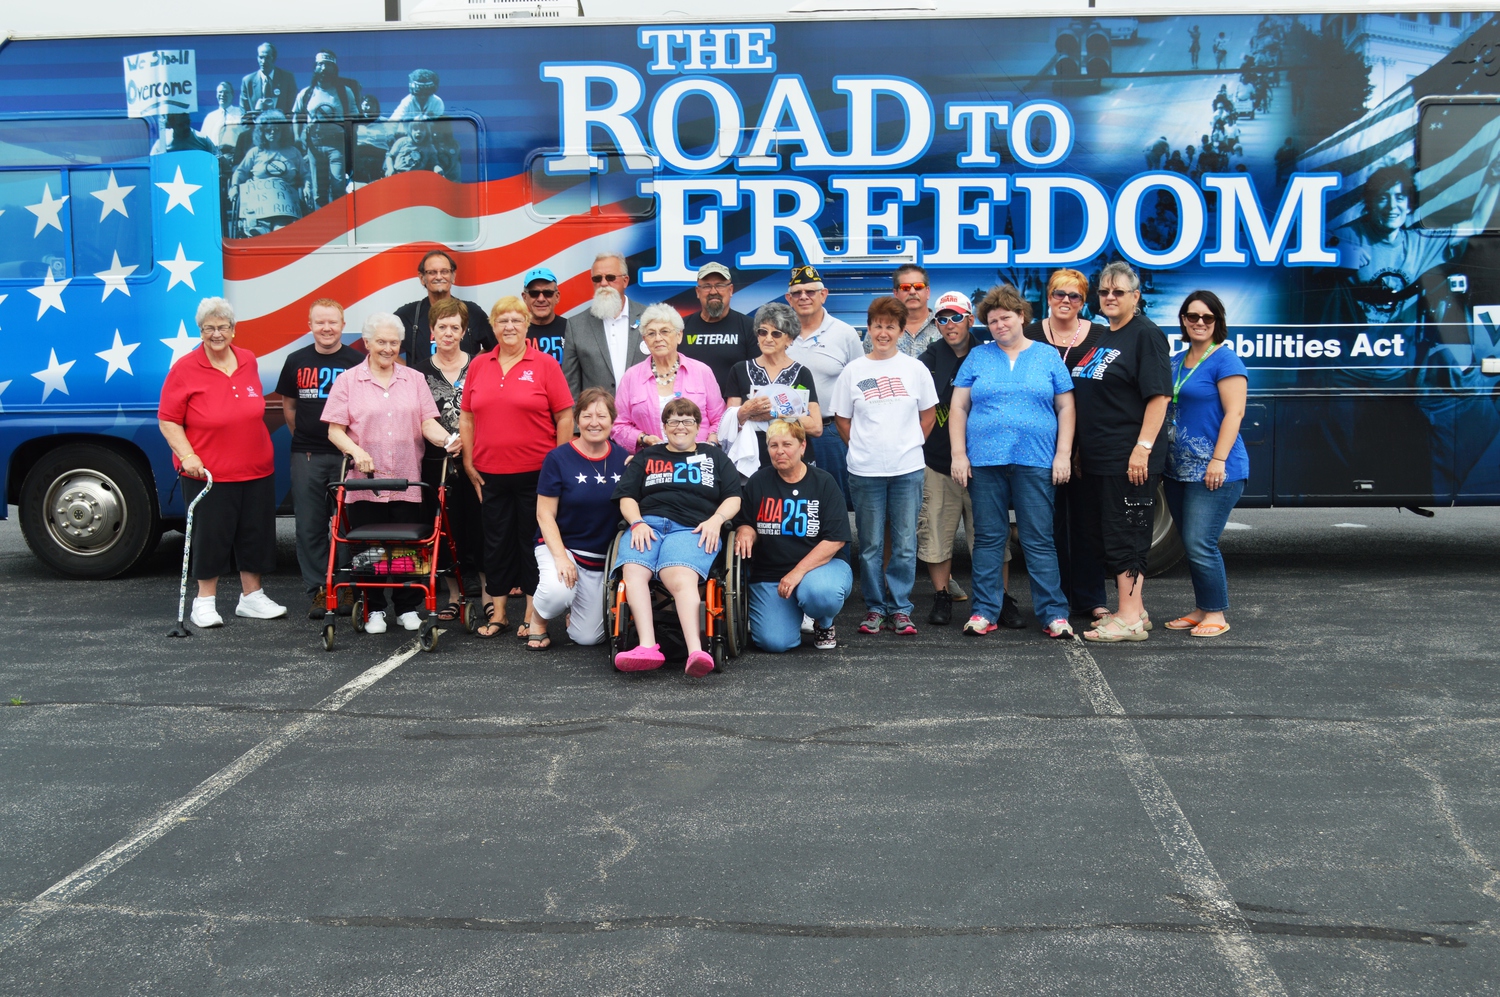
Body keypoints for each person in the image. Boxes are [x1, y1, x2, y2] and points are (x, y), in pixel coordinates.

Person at [949, 285, 1077, 639]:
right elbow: (959, 407)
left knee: (1038, 539)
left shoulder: (1048, 356)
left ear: (1021, 316)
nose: (1000, 325)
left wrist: (1062, 454)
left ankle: (1054, 614)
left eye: (1006, 317)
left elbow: (1066, 406)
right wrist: (959, 455)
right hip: (985, 462)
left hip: (1035, 460)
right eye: (992, 321)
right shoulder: (978, 357)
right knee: (989, 538)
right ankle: (984, 611)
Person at [323, 313, 460, 634]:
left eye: (393, 343)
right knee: (369, 548)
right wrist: (357, 452)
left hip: (406, 478)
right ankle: (373, 610)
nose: (387, 348)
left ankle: (406, 607)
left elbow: (428, 423)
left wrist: (448, 439)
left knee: (406, 548)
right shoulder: (348, 381)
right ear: (367, 343)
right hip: (364, 483)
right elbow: (335, 431)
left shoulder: (413, 379)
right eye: (381, 342)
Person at [158, 297, 288, 628]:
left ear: (233, 329)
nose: (217, 334)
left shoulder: (247, 360)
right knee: (210, 536)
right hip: (209, 473)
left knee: (255, 534)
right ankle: (203, 602)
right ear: (200, 331)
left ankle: (252, 597)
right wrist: (187, 455)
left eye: (223, 327)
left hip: (256, 467)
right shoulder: (184, 369)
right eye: (209, 328)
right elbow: (169, 420)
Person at [460, 296, 575, 638]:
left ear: (527, 325)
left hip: (537, 474)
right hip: (489, 472)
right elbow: (467, 417)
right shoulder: (480, 364)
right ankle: (498, 615)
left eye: (516, 320)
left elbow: (565, 416)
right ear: (493, 326)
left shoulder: (544, 364)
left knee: (530, 543)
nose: (509, 326)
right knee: (494, 543)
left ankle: (530, 614)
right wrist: (468, 460)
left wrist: (560, 464)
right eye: (502, 320)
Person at [1071, 262, 1173, 643]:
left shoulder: (1145, 335)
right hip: (1099, 458)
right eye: (1104, 292)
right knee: (1109, 533)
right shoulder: (1105, 335)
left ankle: (1129, 618)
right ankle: (1133, 609)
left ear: (1136, 296)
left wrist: (1142, 449)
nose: (1110, 297)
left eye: (1118, 292)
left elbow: (1160, 396)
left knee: (1127, 533)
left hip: (1127, 458)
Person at [829, 296, 938, 636]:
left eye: (891, 326)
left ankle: (901, 609)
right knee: (872, 545)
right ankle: (876, 608)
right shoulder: (854, 371)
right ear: (869, 328)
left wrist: (906, 446)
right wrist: (865, 448)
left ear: (901, 330)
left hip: (907, 470)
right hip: (865, 472)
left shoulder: (915, 369)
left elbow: (929, 416)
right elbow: (842, 420)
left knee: (906, 543)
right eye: (878, 325)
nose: (883, 332)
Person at [610, 398, 742, 677]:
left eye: (687, 421)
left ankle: (696, 651)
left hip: (693, 527)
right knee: (634, 571)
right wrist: (637, 523)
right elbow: (627, 497)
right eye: (673, 421)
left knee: (679, 576)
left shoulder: (714, 456)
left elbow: (733, 497)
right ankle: (647, 646)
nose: (680, 426)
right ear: (664, 426)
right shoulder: (647, 456)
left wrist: (717, 521)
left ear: (698, 426)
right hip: (649, 525)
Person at [1163, 291, 1249, 639]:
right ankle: (1202, 608)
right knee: (1190, 541)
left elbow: (1235, 412)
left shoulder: (1225, 360)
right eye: (1192, 316)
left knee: (1201, 542)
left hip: (1214, 470)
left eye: (1207, 317)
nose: (1199, 322)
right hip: (1176, 469)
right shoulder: (1174, 362)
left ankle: (1216, 612)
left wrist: (1218, 460)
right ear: (1183, 320)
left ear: (1217, 322)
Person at [1025, 268, 1108, 622]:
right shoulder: (1028, 334)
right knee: (1048, 524)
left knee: (1089, 523)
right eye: (1059, 293)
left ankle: (1091, 598)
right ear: (1048, 296)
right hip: (1041, 445)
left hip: (1089, 444)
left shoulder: (1102, 337)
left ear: (1083, 301)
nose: (1065, 301)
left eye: (1074, 296)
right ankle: (1054, 598)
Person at [525, 388, 631, 650]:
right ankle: (537, 621)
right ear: (577, 419)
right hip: (563, 547)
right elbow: (544, 513)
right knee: (557, 591)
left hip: (600, 558)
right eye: (587, 416)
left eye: (602, 416)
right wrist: (561, 557)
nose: (594, 422)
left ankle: (574, 608)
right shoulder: (558, 458)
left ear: (612, 420)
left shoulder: (625, 458)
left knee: (588, 638)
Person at [734, 419, 853, 652]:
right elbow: (746, 521)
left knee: (820, 594)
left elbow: (836, 538)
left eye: (787, 444)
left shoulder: (823, 482)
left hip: (819, 570)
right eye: (773, 445)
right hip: (771, 574)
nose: (779, 451)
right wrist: (746, 531)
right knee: (774, 643)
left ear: (802, 446)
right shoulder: (759, 481)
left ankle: (823, 622)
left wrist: (797, 573)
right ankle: (790, 612)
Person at [277, 299, 363, 618]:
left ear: (343, 324)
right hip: (308, 455)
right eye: (320, 322)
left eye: (332, 322)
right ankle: (319, 592)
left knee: (346, 525)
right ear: (309, 325)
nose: (326, 328)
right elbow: (289, 407)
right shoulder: (295, 360)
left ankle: (347, 587)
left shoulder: (357, 362)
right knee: (311, 526)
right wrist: (307, 435)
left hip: (346, 457)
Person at [916, 291, 992, 626]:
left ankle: (995, 599)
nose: (949, 325)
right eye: (943, 319)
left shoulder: (988, 355)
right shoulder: (928, 359)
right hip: (938, 461)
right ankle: (942, 596)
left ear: (970, 319)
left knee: (990, 536)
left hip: (984, 463)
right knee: (936, 535)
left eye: (956, 317)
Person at [410, 297, 483, 622]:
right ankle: (453, 595)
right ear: (432, 330)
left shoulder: (481, 365)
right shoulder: (418, 373)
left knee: (481, 527)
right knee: (445, 528)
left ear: (465, 331)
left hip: (479, 459)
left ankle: (486, 594)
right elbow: (418, 418)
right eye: (443, 327)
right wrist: (446, 441)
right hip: (436, 462)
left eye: (455, 327)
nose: (449, 333)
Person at [784, 265, 865, 507]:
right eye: (797, 293)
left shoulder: (845, 333)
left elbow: (860, 385)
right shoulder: (779, 333)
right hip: (787, 430)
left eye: (810, 291)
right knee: (795, 499)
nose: (804, 297)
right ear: (788, 298)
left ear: (824, 294)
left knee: (836, 500)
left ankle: (841, 547)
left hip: (832, 432)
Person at [612, 304, 726, 453]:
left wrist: (710, 445)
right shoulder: (631, 377)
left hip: (698, 460)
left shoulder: (701, 371)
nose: (658, 338)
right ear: (645, 340)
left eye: (664, 331)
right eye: (651, 334)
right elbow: (618, 426)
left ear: (679, 336)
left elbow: (721, 419)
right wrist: (644, 438)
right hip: (652, 462)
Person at [724, 302, 823, 465]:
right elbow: (730, 422)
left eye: (776, 334)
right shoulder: (740, 370)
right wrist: (748, 411)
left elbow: (816, 427)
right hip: (751, 459)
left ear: (789, 339)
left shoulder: (802, 373)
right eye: (763, 332)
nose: (768, 338)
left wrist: (776, 413)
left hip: (793, 459)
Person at [561, 252, 646, 398]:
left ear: (625, 281)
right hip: (596, 418)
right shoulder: (576, 325)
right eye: (597, 278)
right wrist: (577, 420)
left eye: (611, 277)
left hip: (641, 417)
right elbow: (570, 386)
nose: (604, 283)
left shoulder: (649, 317)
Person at [394, 250, 496, 364]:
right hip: (422, 382)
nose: (439, 277)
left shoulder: (472, 312)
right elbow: (382, 344)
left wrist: (473, 366)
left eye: (444, 271)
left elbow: (495, 347)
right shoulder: (408, 315)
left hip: (464, 382)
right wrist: (410, 374)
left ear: (453, 276)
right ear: (422, 278)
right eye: (432, 272)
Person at [678, 262, 760, 388]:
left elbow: (757, 375)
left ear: (730, 290)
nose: (713, 291)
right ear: (698, 292)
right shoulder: (680, 327)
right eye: (706, 286)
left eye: (720, 285)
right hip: (690, 406)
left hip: (736, 406)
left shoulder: (749, 327)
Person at [229, 110, 306, 237]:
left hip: (285, 206)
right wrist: (234, 187)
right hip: (258, 204)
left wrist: (307, 186)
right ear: (262, 132)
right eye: (268, 130)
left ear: (283, 132)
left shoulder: (293, 152)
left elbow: (305, 174)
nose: (272, 133)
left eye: (276, 130)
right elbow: (240, 172)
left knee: (281, 231)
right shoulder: (255, 152)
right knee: (259, 231)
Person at [864, 264, 939, 357]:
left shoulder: (943, 326)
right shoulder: (878, 332)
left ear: (927, 292)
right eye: (905, 288)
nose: (912, 292)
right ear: (896, 293)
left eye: (918, 287)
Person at [291, 49, 357, 143]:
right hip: (313, 144)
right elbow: (297, 117)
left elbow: (354, 117)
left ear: (334, 69)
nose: (324, 68)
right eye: (320, 64)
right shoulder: (305, 93)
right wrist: (297, 137)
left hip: (338, 144)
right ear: (315, 68)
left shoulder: (345, 92)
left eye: (328, 64)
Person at [522, 266, 568, 366]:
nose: (541, 299)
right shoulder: (515, 331)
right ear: (525, 297)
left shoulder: (571, 330)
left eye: (548, 293)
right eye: (534, 293)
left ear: (557, 297)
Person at [384, 118, 459, 179]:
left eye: (422, 130)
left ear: (426, 132)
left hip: (417, 178)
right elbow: (390, 156)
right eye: (415, 129)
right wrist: (390, 168)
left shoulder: (429, 147)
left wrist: (437, 167)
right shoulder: (402, 141)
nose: (419, 132)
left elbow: (434, 163)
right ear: (410, 131)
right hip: (398, 174)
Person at [239, 42, 297, 120]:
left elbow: (292, 109)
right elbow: (244, 114)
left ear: (274, 58)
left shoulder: (287, 78)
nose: (263, 61)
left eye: (267, 58)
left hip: (280, 129)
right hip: (256, 130)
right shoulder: (248, 81)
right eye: (261, 57)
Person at [198, 82, 245, 151]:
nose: (222, 95)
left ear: (232, 95)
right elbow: (203, 141)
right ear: (216, 95)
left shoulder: (241, 114)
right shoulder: (210, 117)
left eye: (226, 92)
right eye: (220, 92)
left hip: (235, 155)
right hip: (215, 156)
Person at [152, 113, 216, 155]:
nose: (186, 127)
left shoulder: (203, 139)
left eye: (187, 122)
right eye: (181, 125)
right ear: (172, 125)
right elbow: (153, 163)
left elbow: (218, 159)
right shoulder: (162, 143)